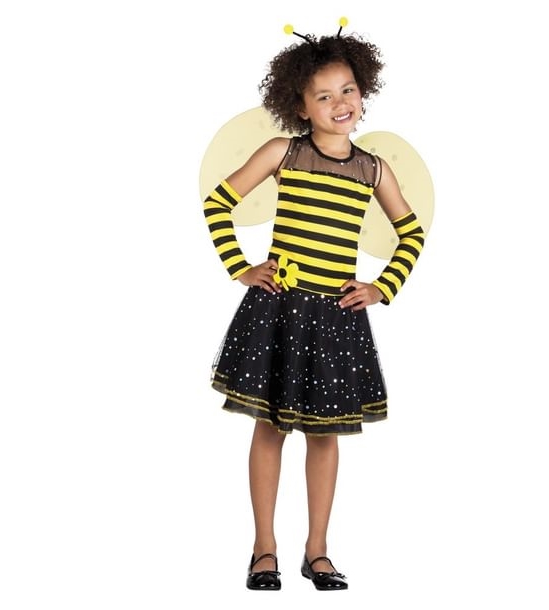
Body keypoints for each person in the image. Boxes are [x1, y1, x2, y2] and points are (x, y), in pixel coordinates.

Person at [202, 18, 426, 591]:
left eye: (347, 90)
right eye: (323, 96)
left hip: (334, 319)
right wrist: (241, 267)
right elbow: (218, 202)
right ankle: (264, 549)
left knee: (325, 435)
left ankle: (317, 552)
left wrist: (382, 286)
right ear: (299, 106)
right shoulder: (284, 153)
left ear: (363, 91)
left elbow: (411, 232)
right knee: (270, 427)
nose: (339, 103)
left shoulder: (373, 169)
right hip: (279, 311)